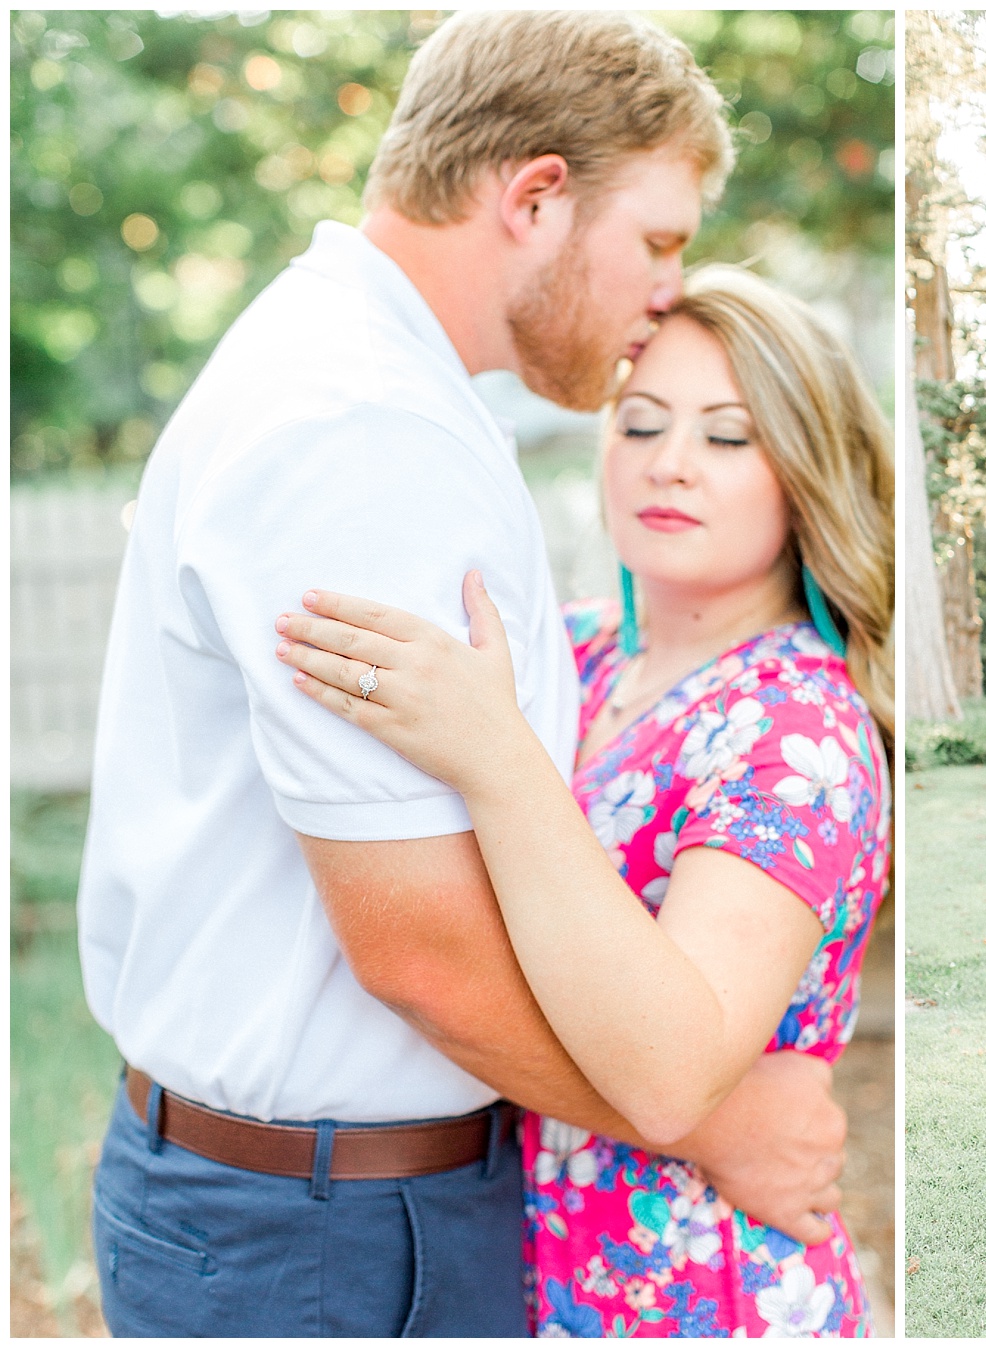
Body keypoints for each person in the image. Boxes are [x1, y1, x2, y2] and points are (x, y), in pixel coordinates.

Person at [77, 13, 846, 1337]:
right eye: (659, 241)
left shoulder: (354, 375)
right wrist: (711, 1118)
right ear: (538, 198)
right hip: (329, 1242)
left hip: (312, 1214)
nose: (668, 286)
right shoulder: (364, 427)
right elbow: (422, 950)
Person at [273, 264, 893, 1336]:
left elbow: (667, 1076)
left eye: (729, 437)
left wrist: (495, 754)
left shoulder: (797, 726)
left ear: (805, 468)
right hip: (535, 1264)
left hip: (702, 1293)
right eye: (641, 423)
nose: (671, 465)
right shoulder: (579, 657)